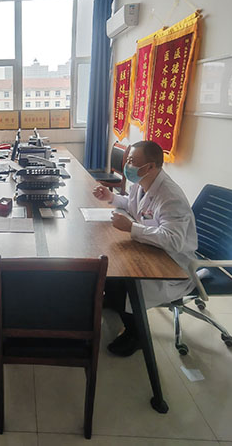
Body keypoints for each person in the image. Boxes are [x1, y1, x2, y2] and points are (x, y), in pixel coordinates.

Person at [93, 140, 197, 357]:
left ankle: (136, 334)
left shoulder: (170, 197)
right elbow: (133, 205)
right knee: (111, 261)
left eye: (132, 161)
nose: (127, 165)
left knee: (126, 278)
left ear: (150, 166)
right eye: (128, 160)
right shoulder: (142, 183)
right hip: (150, 248)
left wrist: (132, 228)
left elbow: (174, 240)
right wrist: (111, 197)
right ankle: (114, 300)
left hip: (171, 263)